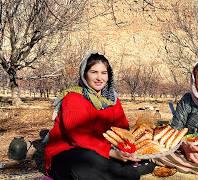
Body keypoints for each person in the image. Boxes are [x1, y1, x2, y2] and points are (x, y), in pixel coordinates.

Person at [44, 52, 154, 180]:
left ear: (109, 75)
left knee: (145, 163)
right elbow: (78, 138)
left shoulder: (112, 100)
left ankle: (120, 170)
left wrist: (126, 150)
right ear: (84, 74)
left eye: (103, 73)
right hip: (70, 151)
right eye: (94, 72)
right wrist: (111, 153)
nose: (99, 78)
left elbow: (122, 129)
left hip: (102, 151)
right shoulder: (73, 98)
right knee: (87, 162)